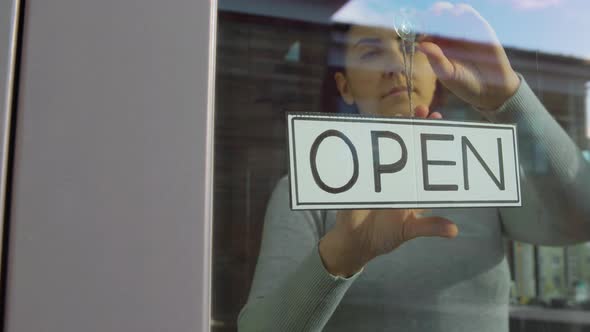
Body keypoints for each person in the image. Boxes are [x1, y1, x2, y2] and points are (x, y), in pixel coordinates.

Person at [238, 3, 590, 331]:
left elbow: (582, 218)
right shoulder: (304, 190)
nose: (397, 65)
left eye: (413, 44)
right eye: (371, 52)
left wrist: (508, 97)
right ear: (344, 86)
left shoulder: (479, 168)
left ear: (436, 73)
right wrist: (342, 255)